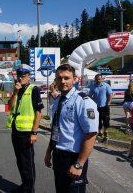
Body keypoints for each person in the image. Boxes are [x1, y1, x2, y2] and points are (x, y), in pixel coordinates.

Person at [44, 64, 99, 193]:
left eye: (66, 78)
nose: (62, 81)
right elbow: (56, 129)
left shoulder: (83, 101)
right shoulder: (58, 101)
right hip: (59, 157)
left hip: (73, 158)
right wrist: (49, 151)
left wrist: (79, 164)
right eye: (59, 78)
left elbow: (91, 134)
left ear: (74, 79)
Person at [7, 64, 43, 193]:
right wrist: (15, 92)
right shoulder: (17, 89)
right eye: (18, 76)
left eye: (23, 76)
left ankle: (29, 190)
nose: (20, 78)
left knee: (27, 163)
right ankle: (25, 185)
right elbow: (10, 107)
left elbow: (39, 112)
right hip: (16, 130)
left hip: (27, 132)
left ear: (29, 76)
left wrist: (34, 132)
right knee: (20, 161)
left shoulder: (34, 89)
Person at [89, 74, 113, 141]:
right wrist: (92, 103)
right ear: (95, 79)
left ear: (102, 79)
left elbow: (110, 95)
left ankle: (105, 131)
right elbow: (90, 95)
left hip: (105, 106)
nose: (98, 80)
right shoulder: (93, 86)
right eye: (96, 79)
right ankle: (100, 132)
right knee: (98, 120)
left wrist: (108, 104)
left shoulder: (106, 86)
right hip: (96, 106)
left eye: (99, 79)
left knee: (106, 120)